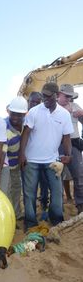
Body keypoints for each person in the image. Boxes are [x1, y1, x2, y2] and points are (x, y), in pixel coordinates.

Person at [19, 82, 73, 230]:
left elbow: (67, 137)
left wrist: (68, 155)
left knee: (56, 192)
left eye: (48, 97)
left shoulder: (64, 114)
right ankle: (30, 223)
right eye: (44, 96)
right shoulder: (34, 112)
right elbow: (26, 134)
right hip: (31, 161)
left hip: (52, 161)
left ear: (56, 95)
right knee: (29, 193)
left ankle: (56, 221)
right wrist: (22, 154)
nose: (45, 100)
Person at [57, 84, 83, 214]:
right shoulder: (53, 108)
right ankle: (59, 206)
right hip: (57, 144)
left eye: (70, 96)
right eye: (66, 96)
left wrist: (82, 114)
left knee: (79, 175)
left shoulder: (76, 107)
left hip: (74, 143)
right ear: (59, 94)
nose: (68, 98)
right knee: (58, 176)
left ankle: (80, 205)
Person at [4, 96, 28, 220]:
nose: (16, 117)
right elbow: (1, 153)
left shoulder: (26, 125)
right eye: (13, 114)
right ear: (9, 112)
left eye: (20, 115)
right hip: (5, 166)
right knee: (6, 191)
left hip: (17, 165)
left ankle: (17, 214)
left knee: (16, 188)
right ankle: (8, 218)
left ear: (25, 114)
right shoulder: (4, 127)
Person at [28, 91, 49, 220]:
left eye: (37, 102)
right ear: (28, 102)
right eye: (33, 102)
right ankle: (31, 213)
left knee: (45, 184)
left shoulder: (45, 116)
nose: (35, 104)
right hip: (30, 159)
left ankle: (44, 207)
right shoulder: (23, 117)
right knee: (31, 187)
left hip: (44, 157)